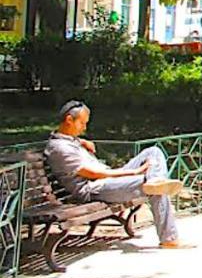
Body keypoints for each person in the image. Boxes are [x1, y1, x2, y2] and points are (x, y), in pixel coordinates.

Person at [44, 101, 190, 249]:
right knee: (153, 187)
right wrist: (133, 172)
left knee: (154, 152)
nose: (84, 128)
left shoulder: (68, 140)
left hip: (106, 180)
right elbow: (94, 174)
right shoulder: (60, 148)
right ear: (69, 120)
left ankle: (155, 181)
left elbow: (71, 143)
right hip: (93, 188)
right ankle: (169, 238)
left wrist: (82, 141)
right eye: (82, 123)